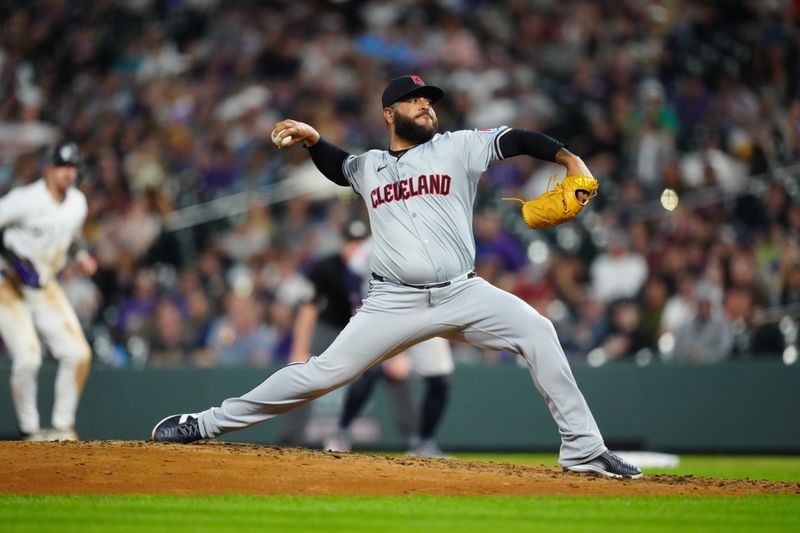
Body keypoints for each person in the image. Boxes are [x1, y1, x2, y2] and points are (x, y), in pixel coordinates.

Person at [153, 74, 642, 479]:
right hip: (394, 302)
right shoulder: (370, 166)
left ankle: (582, 448)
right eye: (415, 100)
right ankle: (204, 424)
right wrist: (314, 140)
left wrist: (568, 158)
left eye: (430, 100)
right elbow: (340, 166)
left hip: (464, 291)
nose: (427, 106)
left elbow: (516, 139)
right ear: (390, 114)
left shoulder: (458, 148)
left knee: (539, 330)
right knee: (321, 374)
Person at [279, 220, 454, 458]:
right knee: (304, 372)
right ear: (342, 242)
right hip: (331, 327)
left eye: (359, 242)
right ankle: (292, 439)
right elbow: (308, 310)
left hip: (374, 324)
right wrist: (300, 349)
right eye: (350, 242)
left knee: (391, 374)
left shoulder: (382, 261)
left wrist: (397, 352)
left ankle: (415, 440)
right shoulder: (327, 267)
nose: (354, 248)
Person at [0, 141, 96, 441]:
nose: (68, 173)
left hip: (43, 284)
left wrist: (80, 257)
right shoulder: (25, 199)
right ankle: (30, 431)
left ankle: (62, 428)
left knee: (78, 353)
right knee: (28, 359)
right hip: (6, 283)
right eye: (62, 166)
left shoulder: (77, 203)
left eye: (73, 167)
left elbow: (73, 238)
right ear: (48, 168)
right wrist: (13, 260)